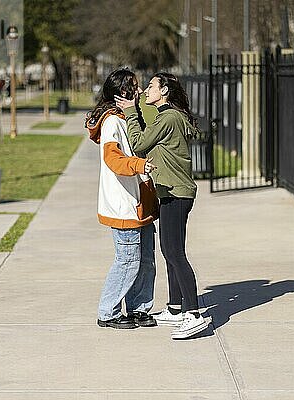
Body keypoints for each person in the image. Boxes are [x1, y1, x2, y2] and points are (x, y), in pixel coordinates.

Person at [115, 72, 209, 340]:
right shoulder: (166, 117)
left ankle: (193, 314)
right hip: (170, 191)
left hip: (177, 194)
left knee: (175, 252)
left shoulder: (168, 118)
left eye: (151, 86)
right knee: (169, 251)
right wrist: (137, 110)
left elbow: (139, 144)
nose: (146, 90)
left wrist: (132, 113)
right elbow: (149, 136)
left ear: (164, 90)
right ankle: (176, 308)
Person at [86, 68, 159, 330]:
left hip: (140, 203)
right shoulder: (112, 123)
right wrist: (139, 165)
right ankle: (108, 312)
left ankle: (139, 308)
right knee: (128, 261)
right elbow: (113, 159)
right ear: (121, 93)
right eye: (134, 87)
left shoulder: (126, 117)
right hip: (123, 205)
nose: (139, 91)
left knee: (146, 260)